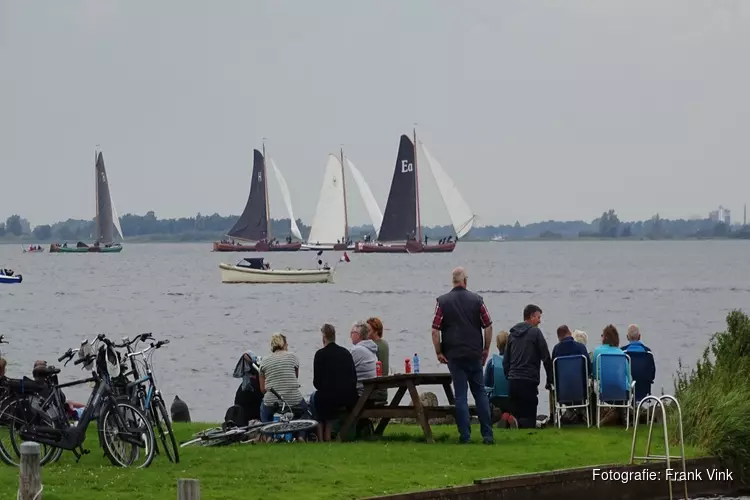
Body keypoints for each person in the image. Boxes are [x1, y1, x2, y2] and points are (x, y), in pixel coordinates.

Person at [432, 267, 494, 444]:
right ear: (465, 281)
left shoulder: (442, 301)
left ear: (453, 281)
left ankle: (465, 436)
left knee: (461, 396)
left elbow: (435, 330)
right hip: (474, 352)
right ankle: (487, 435)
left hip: (454, 354)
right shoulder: (477, 300)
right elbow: (488, 326)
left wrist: (438, 352)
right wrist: (485, 349)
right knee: (480, 393)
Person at [503, 304, 553, 429]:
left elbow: (506, 361)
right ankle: (517, 423)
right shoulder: (535, 333)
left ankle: (509, 420)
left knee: (517, 413)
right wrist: (550, 379)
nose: (540, 321)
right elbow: (546, 358)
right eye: (538, 317)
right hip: (528, 381)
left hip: (513, 381)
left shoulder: (512, 334)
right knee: (530, 421)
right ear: (531, 317)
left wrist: (509, 377)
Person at [311, 324, 358, 441]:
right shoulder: (346, 353)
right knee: (326, 400)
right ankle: (329, 435)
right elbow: (354, 378)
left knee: (314, 399)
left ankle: (321, 438)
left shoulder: (320, 355)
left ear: (323, 338)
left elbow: (316, 383)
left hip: (327, 399)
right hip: (347, 397)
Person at [258, 333, 308, 432]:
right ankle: (301, 435)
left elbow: (263, 389)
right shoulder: (293, 357)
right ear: (284, 344)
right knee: (305, 409)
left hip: (272, 401)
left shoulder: (264, 361)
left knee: (263, 409)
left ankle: (268, 434)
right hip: (293, 399)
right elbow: (295, 377)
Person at [483, 331, 512, 423]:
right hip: (513, 396)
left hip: (496, 397)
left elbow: (486, 383)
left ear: (497, 346)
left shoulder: (492, 363)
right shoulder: (515, 361)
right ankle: (510, 418)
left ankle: (492, 419)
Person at [349, 321, 378, 396]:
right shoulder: (371, 349)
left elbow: (343, 370)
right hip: (370, 392)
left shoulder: (357, 350)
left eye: (352, 333)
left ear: (358, 335)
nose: (350, 336)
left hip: (360, 393)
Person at [366, 317, 389, 404]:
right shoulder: (384, 344)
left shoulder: (372, 346)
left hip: (375, 391)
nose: (366, 333)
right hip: (384, 389)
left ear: (376, 331)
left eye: (368, 330)